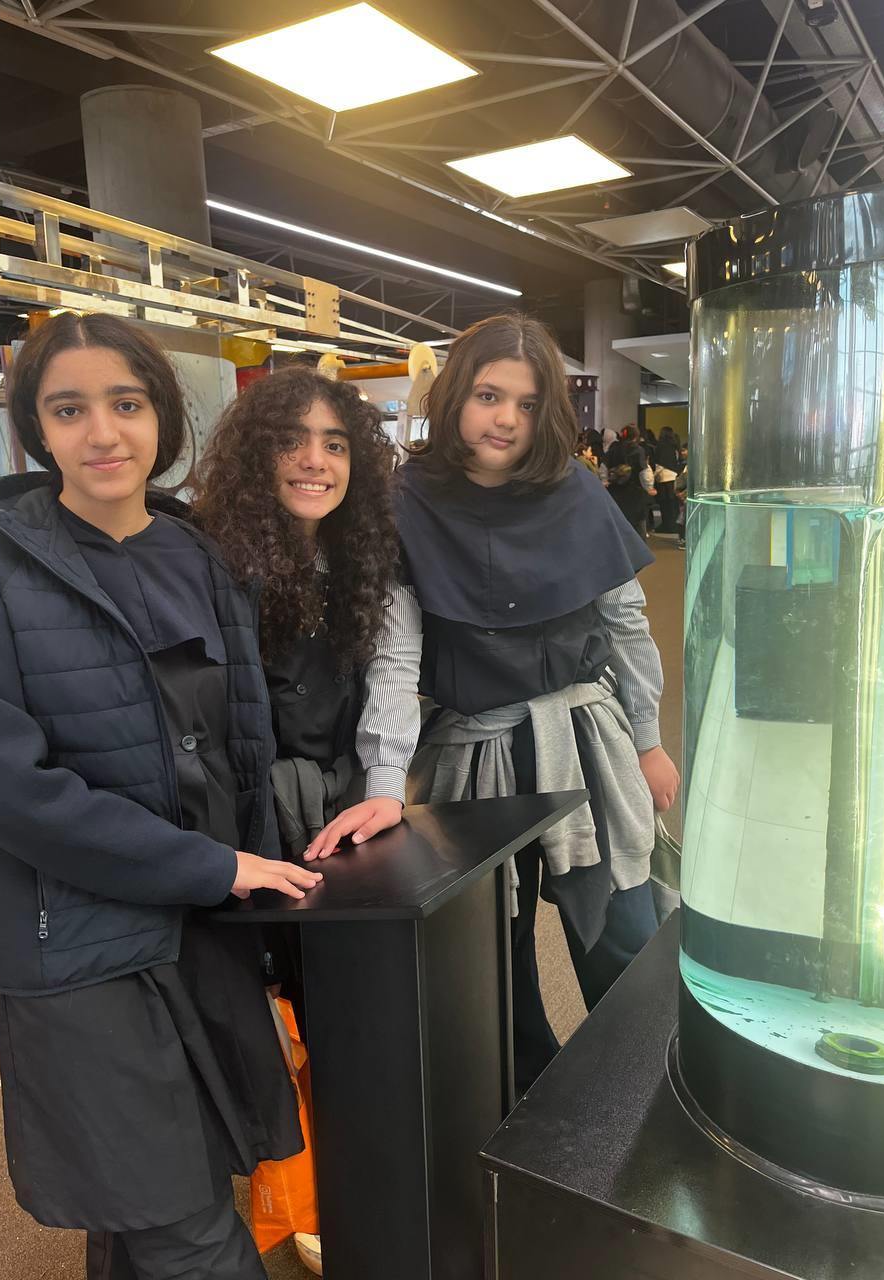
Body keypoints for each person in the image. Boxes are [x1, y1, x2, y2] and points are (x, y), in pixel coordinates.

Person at [0, 313, 323, 1280]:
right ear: (36, 428)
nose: (103, 434)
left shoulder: (204, 556)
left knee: (157, 1194)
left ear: (162, 412)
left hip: (208, 923)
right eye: (68, 410)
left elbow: (246, 740)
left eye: (125, 403)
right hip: (80, 939)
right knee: (182, 1224)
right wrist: (209, 865)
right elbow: (8, 792)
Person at [389, 313, 679, 1093]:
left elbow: (625, 622)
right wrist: (383, 781)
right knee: (490, 956)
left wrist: (649, 740)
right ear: (456, 395)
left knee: (622, 931)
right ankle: (528, 1106)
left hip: (583, 737)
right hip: (468, 750)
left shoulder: (575, 490)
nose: (506, 419)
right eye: (488, 395)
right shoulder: (406, 498)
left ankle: (646, 1098)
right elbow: (394, 654)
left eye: (526, 402)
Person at [195, 366, 422, 1276]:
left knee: (344, 999)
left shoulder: (369, 556)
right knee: (248, 997)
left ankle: (334, 1186)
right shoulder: (207, 558)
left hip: (343, 802)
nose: (315, 461)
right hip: (240, 809)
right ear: (257, 452)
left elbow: (394, 671)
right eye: (292, 441)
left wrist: (386, 782)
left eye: (334, 444)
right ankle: (268, 1189)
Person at [605, 424, 655, 541]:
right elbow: (644, 473)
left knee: (618, 524)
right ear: (636, 436)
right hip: (635, 493)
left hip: (615, 492)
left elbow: (603, 468)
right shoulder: (639, 450)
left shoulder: (613, 449)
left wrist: (605, 482)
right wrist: (649, 487)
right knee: (638, 526)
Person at [654, 425, 682, 534]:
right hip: (674, 476)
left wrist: (654, 475)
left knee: (664, 505)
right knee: (673, 504)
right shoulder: (675, 446)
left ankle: (666, 525)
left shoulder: (660, 446)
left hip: (663, 477)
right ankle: (674, 525)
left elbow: (659, 463)